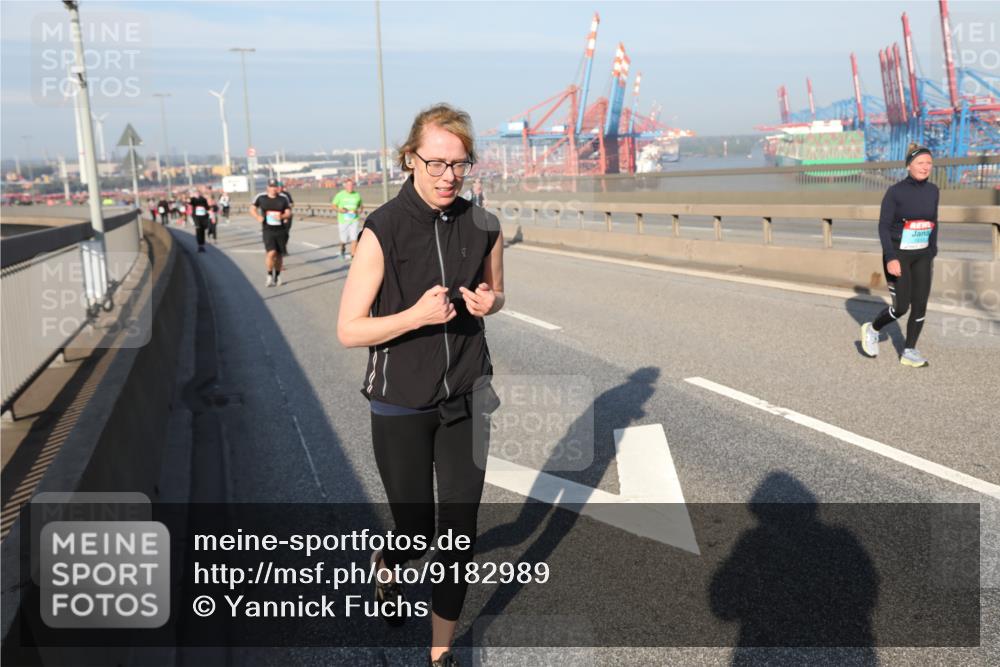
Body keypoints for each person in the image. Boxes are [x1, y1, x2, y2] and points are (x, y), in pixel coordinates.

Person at [337, 104, 504, 667]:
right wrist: (414, 317)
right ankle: (388, 562)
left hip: (467, 395)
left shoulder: (484, 225)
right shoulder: (382, 229)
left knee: (458, 533)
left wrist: (490, 303)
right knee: (414, 532)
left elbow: (497, 292)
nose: (449, 176)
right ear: (410, 158)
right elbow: (348, 329)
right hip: (401, 403)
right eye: (436, 163)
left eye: (460, 164)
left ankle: (439, 653)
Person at [861, 143, 939, 367]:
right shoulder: (895, 192)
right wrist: (890, 257)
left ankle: (909, 350)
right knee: (901, 307)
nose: (925, 167)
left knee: (920, 305)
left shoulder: (933, 191)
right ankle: (873, 329)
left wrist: (932, 250)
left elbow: (934, 221)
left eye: (929, 163)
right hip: (899, 255)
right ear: (908, 166)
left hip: (922, 255)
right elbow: (883, 226)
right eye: (920, 163)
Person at [251, 178, 292, 287]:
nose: (273, 189)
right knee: (271, 253)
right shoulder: (261, 197)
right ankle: (269, 274)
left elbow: (288, 212)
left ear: (277, 187)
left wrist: (282, 216)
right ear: (267, 187)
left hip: (281, 230)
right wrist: (258, 217)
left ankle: (277, 276)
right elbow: (252, 209)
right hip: (268, 230)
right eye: (271, 186)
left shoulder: (283, 198)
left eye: (275, 186)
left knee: (279, 255)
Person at [332, 178, 363, 260]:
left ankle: (353, 257)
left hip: (354, 220)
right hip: (343, 221)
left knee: (354, 239)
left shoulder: (357, 195)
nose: (350, 187)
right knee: (344, 240)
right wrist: (340, 210)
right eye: (348, 185)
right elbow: (333, 205)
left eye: (352, 185)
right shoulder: (340, 195)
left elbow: (361, 207)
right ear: (345, 186)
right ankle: (342, 250)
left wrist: (358, 211)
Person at [189, 187, 212, 253]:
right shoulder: (193, 199)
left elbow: (207, 207)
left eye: (198, 193)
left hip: (203, 217)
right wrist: (191, 197)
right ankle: (199, 245)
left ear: (200, 193)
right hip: (196, 218)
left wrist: (210, 212)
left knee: (202, 231)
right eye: (196, 193)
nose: (197, 194)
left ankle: (202, 245)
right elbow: (190, 204)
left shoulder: (203, 199)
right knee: (198, 231)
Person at [278, 181, 294, 255]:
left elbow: (292, 203)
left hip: (287, 215)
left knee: (286, 233)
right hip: (277, 217)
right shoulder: (273, 195)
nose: (279, 188)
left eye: (281, 187)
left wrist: (288, 206)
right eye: (278, 187)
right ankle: (279, 248)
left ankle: (283, 247)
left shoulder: (286, 194)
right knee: (278, 233)